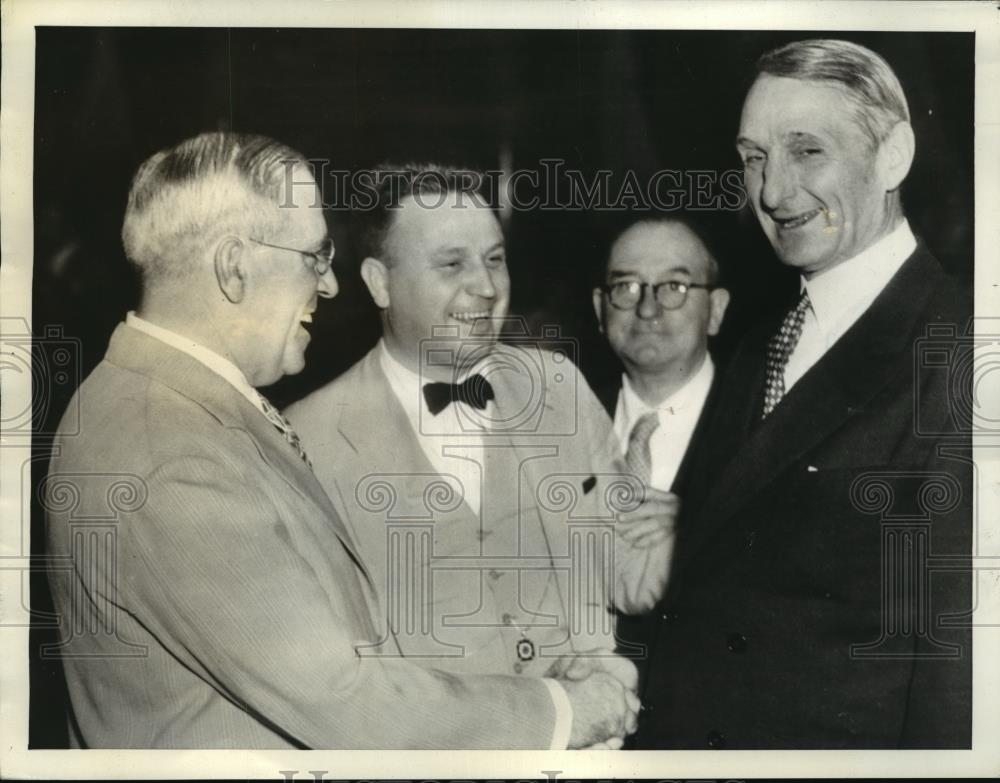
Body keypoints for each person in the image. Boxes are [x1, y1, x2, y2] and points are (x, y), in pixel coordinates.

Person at [44, 133, 638, 749]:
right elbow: (343, 698)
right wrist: (563, 710)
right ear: (233, 266)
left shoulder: (169, 410)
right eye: (313, 256)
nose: (328, 286)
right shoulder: (171, 452)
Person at [634, 39, 972, 749]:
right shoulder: (764, 341)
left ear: (893, 156)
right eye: (753, 156)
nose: (773, 192)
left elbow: (957, 684)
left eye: (806, 151)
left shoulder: (964, 353)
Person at [285, 165, 675, 704]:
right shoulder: (307, 442)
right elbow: (332, 676)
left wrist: (681, 522)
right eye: (452, 264)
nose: (488, 287)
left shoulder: (558, 385)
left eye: (495, 260)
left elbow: (627, 576)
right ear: (380, 282)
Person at [591, 216, 729, 693]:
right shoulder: (558, 421)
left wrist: (704, 536)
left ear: (715, 310)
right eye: (626, 286)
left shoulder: (761, 427)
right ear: (599, 307)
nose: (648, 308)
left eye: (674, 286)